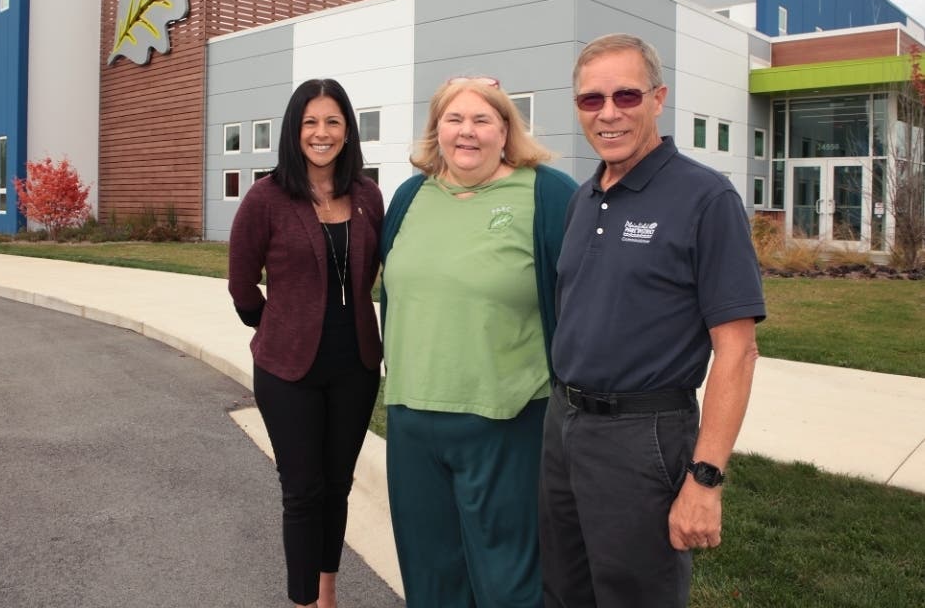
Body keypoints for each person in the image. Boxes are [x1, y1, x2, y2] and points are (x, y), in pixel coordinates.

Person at [539, 34, 766, 608]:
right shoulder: (584, 197)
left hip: (643, 437)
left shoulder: (705, 198)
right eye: (592, 100)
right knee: (567, 591)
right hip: (564, 427)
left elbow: (737, 352)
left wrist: (705, 480)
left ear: (658, 98)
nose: (609, 113)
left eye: (626, 95)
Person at [380, 76, 577, 608]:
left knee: (509, 581)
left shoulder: (547, 193)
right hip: (411, 420)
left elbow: (584, 301)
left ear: (506, 130)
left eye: (482, 119)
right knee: (431, 579)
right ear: (436, 129)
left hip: (507, 420)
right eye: (454, 119)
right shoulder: (408, 197)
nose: (467, 132)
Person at [228, 78, 384, 608]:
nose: (322, 133)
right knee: (302, 492)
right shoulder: (267, 197)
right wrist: (275, 326)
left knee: (336, 486)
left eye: (333, 122)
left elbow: (373, 271)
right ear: (295, 131)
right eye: (310, 122)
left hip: (355, 365)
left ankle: (327, 595)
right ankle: (301, 603)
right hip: (287, 370)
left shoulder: (367, 194)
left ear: (347, 131)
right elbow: (241, 282)